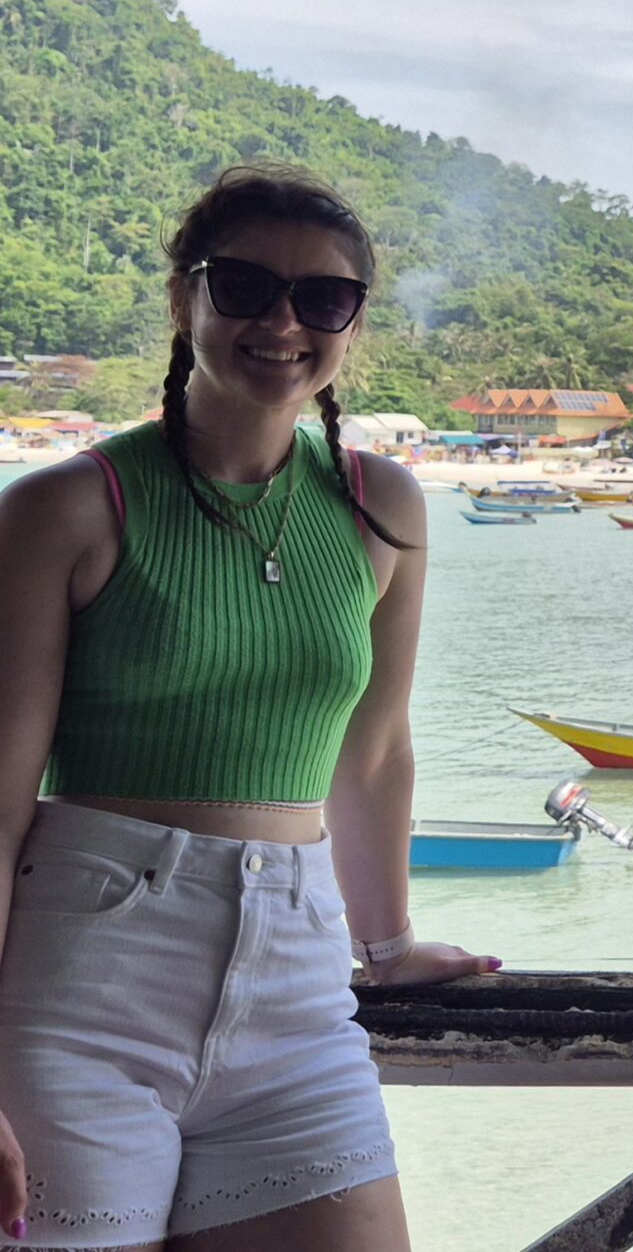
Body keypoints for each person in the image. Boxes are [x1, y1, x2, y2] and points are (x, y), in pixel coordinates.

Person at [0, 164, 496, 1250]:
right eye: (246, 286)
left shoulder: (382, 507)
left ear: (352, 324)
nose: (283, 321)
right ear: (185, 299)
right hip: (84, 990)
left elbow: (371, 758)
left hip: (301, 989)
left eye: (324, 299)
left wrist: (392, 940)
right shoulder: (67, 508)